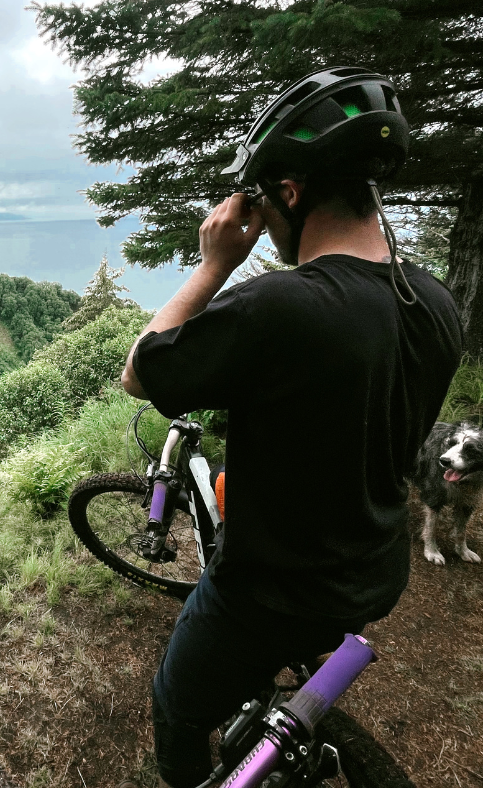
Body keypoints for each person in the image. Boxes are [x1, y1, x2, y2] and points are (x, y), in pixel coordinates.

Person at [118, 67, 462, 788]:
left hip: (270, 594)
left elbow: (142, 373)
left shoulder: (281, 304)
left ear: (290, 192)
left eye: (262, 201)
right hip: (374, 571)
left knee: (174, 707)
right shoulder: (435, 300)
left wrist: (216, 263)